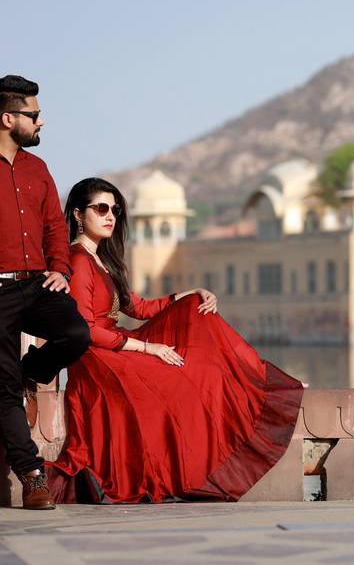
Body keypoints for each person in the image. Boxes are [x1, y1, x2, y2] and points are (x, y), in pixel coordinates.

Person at [46, 178, 304, 503]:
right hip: (97, 356)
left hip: (118, 343)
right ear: (79, 215)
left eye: (115, 209)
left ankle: (257, 377)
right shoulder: (80, 261)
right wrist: (148, 347)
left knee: (197, 312)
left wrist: (187, 295)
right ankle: (256, 382)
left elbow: (138, 308)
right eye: (101, 208)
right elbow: (87, 329)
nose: (110, 215)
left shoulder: (102, 260)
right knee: (174, 382)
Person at [0, 75, 90, 510]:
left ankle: (28, 370)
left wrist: (60, 269)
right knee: (2, 393)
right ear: (7, 118)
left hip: (37, 284)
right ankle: (32, 477)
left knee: (76, 333)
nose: (41, 123)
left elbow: (56, 225)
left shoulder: (38, 169)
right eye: (34, 115)